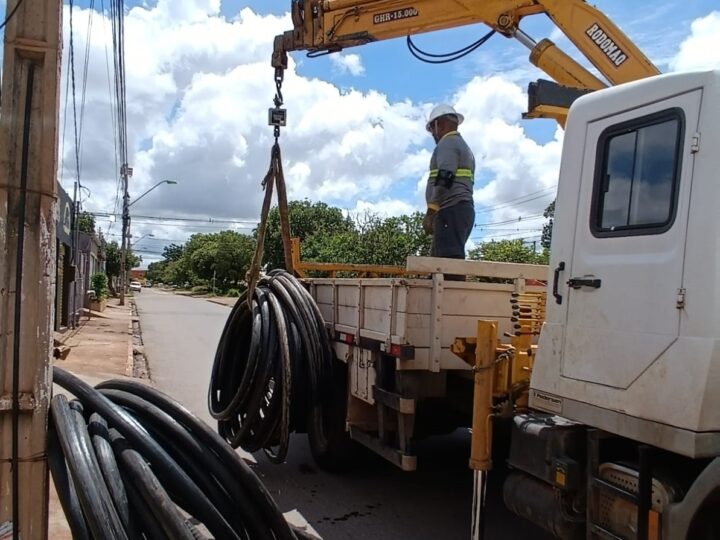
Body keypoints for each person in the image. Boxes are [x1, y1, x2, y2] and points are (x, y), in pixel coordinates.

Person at [423, 103, 476, 260]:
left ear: (440, 124)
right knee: (440, 262)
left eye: (432, 128)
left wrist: (432, 210)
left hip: (451, 210)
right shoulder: (461, 146)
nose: (432, 133)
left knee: (446, 264)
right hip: (458, 210)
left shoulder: (448, 143)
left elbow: (445, 175)